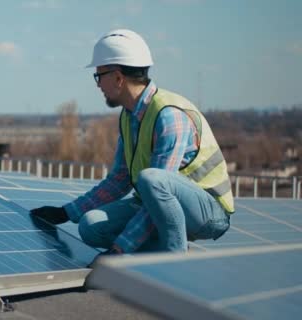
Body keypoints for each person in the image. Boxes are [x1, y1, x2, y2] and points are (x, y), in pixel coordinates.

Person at [31, 29, 234, 262]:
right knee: (90, 226)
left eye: (99, 76)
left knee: (152, 179)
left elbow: (158, 189)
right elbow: (119, 179)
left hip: (207, 212)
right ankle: (160, 250)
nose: (98, 85)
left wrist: (119, 251)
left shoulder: (168, 116)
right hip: (159, 204)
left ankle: (175, 258)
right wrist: (66, 212)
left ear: (118, 78)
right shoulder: (129, 117)